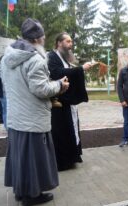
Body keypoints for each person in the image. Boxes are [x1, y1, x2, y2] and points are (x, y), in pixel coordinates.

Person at [1, 18, 69, 206]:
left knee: (20, 157)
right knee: (33, 158)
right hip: (32, 118)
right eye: (43, 35)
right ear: (37, 38)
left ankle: (21, 191)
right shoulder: (35, 59)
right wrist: (59, 85)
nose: (44, 38)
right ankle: (32, 195)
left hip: (16, 118)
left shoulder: (9, 57)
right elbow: (41, 90)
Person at [48, 32, 95, 171]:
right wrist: (81, 69)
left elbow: (68, 73)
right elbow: (56, 73)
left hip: (68, 102)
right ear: (59, 43)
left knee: (71, 130)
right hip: (59, 103)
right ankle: (62, 162)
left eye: (71, 42)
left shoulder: (65, 58)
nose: (71, 44)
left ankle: (72, 158)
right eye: (68, 41)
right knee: (60, 133)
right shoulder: (52, 57)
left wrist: (79, 70)